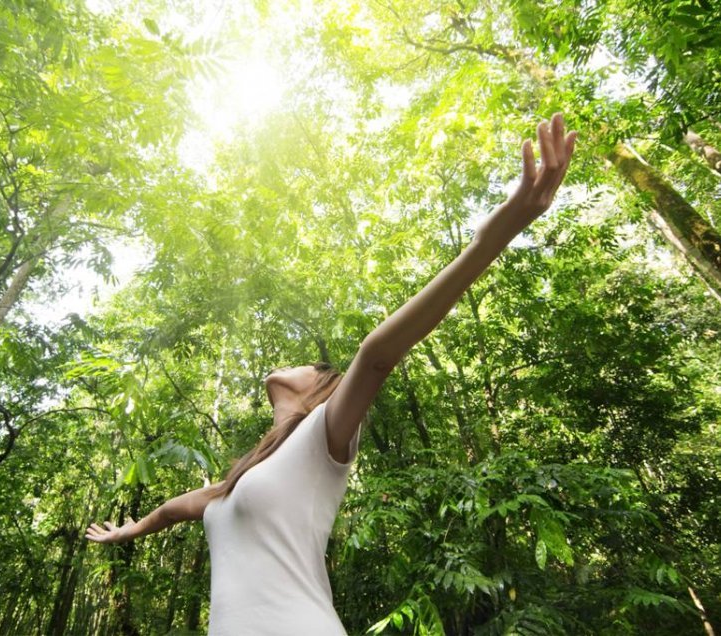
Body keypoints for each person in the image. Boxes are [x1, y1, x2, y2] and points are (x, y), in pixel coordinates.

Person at [86, 113, 578, 634]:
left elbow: (376, 355)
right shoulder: (234, 485)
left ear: (319, 389)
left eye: (310, 366)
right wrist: (128, 531)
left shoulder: (325, 435)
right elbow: (170, 509)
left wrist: (494, 234)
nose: (292, 363)